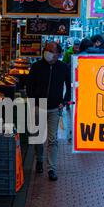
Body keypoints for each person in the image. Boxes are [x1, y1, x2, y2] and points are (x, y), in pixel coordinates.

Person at [27, 42, 71, 181]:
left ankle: (51, 168)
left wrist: (64, 101)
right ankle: (39, 159)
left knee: (53, 139)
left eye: (51, 50)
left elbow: (69, 87)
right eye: (46, 50)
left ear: (58, 54)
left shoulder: (63, 67)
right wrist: (33, 100)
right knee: (37, 137)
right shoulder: (36, 66)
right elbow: (30, 85)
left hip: (54, 108)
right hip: (38, 106)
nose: (48, 53)